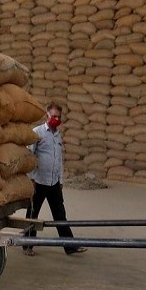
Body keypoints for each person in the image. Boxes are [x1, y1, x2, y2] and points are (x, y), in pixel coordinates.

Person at [24, 103, 86, 257]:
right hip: (38, 181)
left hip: (53, 182)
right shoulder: (37, 132)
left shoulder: (58, 135)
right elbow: (29, 157)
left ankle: (70, 246)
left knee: (60, 214)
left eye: (59, 117)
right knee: (33, 213)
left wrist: (61, 180)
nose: (56, 119)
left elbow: (59, 160)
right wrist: (30, 178)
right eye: (54, 116)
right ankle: (27, 245)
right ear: (47, 116)